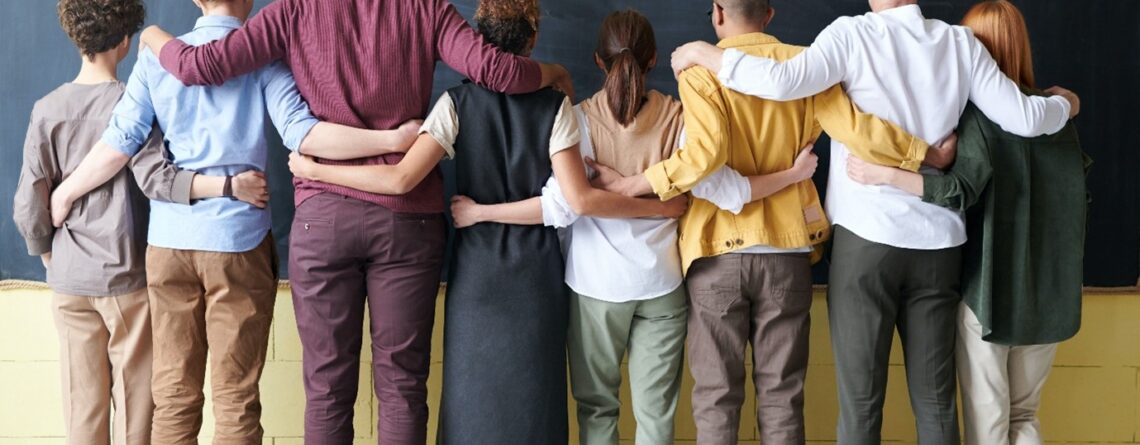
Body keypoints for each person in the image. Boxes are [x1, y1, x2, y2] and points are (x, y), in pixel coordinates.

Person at [138, 1, 575, 442]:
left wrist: (152, 35)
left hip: (323, 223)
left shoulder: (293, 11)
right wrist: (553, 72)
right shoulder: (427, 10)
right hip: (407, 225)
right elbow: (498, 72)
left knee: (327, 390)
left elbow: (197, 66)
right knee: (402, 386)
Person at [669, 0, 1080, 442]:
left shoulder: (850, 35)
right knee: (936, 402)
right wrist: (1064, 104)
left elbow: (782, 80)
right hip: (939, 244)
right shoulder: (960, 43)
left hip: (866, 241)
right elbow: (1025, 118)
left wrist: (703, 53)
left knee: (862, 404)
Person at [286, 2, 688, 443]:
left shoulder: (454, 104)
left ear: (476, 40)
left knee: (471, 403)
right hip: (536, 272)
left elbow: (400, 178)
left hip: (478, 272)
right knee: (536, 403)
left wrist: (317, 170)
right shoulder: (557, 108)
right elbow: (573, 201)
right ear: (533, 39)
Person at [48, 0, 422, 443]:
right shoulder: (262, 59)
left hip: (169, 246)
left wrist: (65, 192)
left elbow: (119, 143)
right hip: (237, 243)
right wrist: (393, 139)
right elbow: (304, 134)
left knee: (172, 397)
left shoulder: (155, 59)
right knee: (236, 398)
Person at [583, 1, 947, 443]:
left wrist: (634, 184)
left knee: (717, 398)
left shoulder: (701, 75)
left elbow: (703, 158)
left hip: (716, 254)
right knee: (783, 396)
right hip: (787, 250)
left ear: (718, 13)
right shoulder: (807, 66)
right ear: (770, 14)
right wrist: (922, 154)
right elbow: (857, 129)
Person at [10, 0, 263, 443]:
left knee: (81, 407)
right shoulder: (133, 98)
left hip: (69, 279)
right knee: (138, 408)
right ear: (125, 40)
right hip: (126, 276)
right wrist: (226, 187)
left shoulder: (46, 108)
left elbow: (30, 199)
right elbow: (156, 178)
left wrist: (48, 252)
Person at [844, 2, 1090, 444]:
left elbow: (960, 190)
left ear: (980, 50)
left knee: (987, 421)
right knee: (1024, 415)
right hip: (1050, 296)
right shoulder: (1060, 121)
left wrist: (888, 174)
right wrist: (1068, 102)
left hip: (991, 296)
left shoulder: (978, 120)